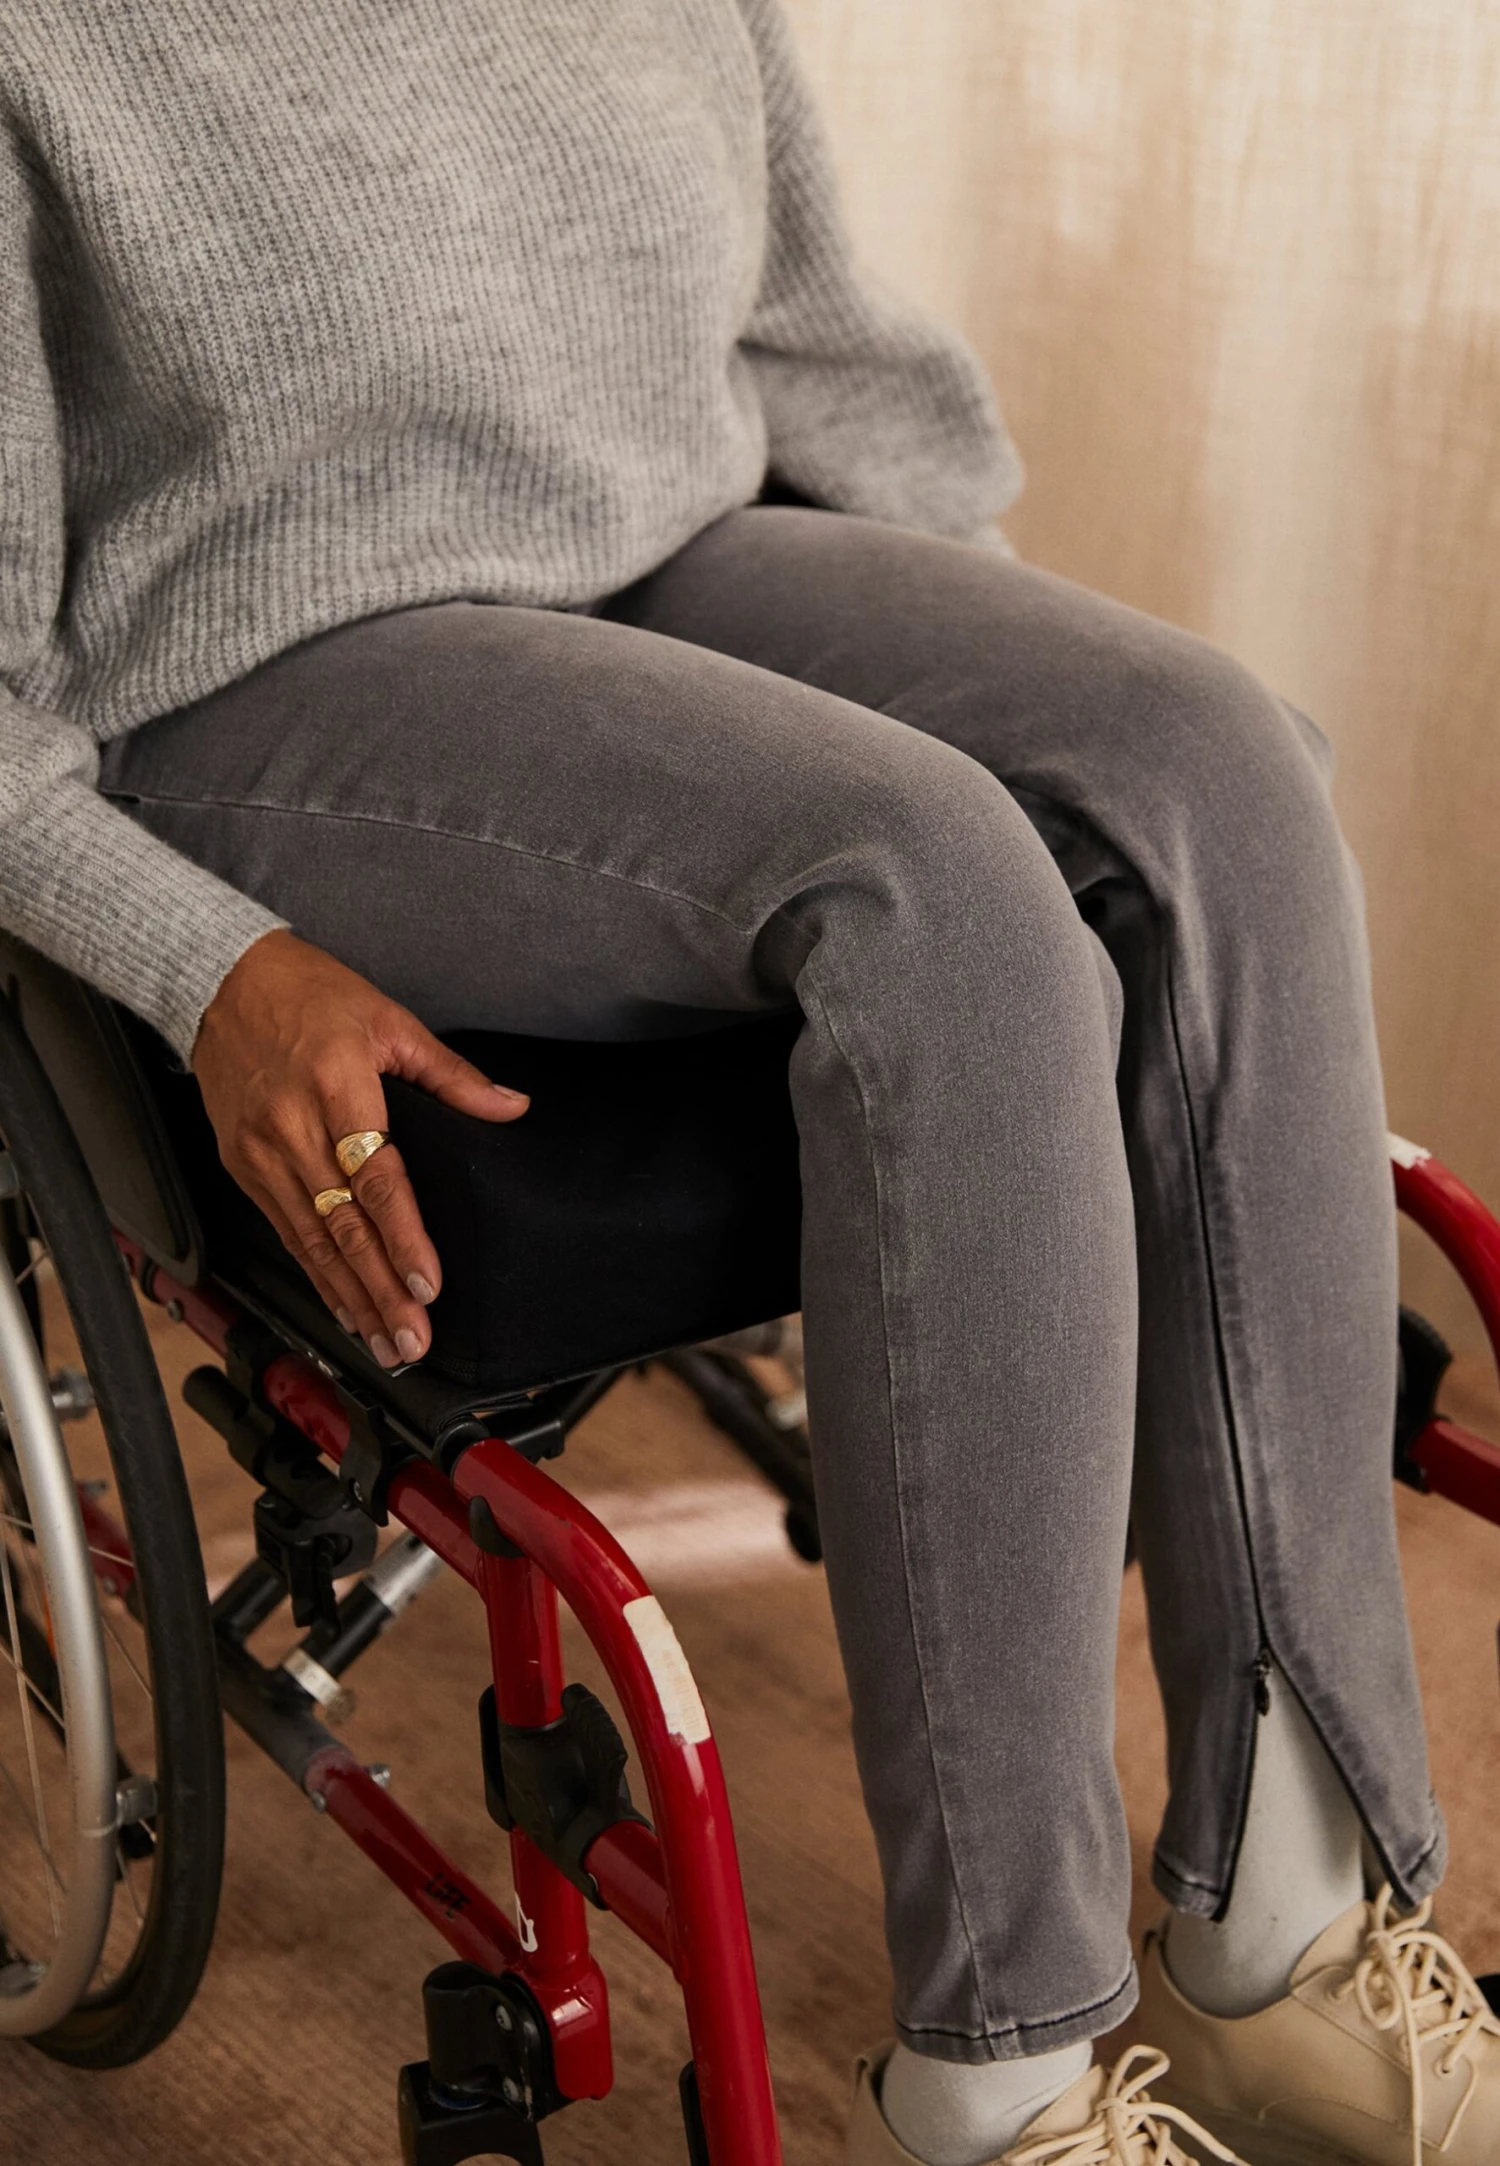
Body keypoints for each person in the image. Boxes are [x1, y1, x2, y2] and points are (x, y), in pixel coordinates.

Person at [2, 4, 1495, 2160]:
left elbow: (825, 347)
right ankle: (997, 2078)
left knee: (1216, 769)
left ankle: (1283, 1918)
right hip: (266, 667)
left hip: (680, 544)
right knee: (937, 891)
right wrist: (209, 968)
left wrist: (1095, 758)